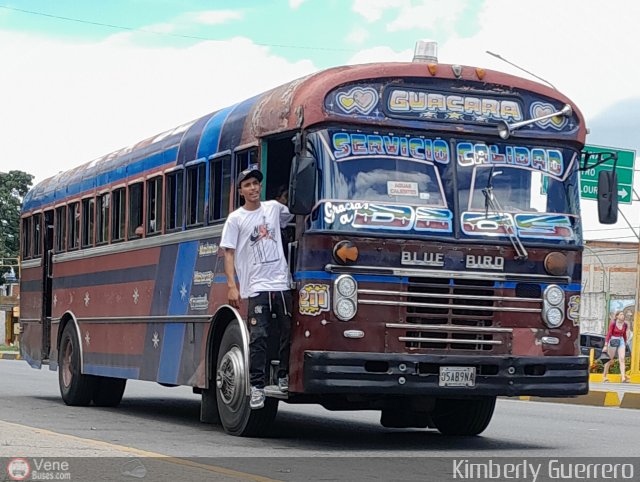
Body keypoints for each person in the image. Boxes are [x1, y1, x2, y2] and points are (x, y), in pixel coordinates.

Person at [220, 168, 293, 409]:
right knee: (259, 337)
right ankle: (257, 387)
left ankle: (283, 375)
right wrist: (233, 286)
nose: (253, 188)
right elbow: (228, 253)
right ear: (240, 191)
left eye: (256, 184)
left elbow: (294, 215)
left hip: (281, 282)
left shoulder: (273, 208)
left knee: (287, 330)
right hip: (256, 286)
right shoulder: (236, 219)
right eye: (248, 185)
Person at [602, 310, 630, 383]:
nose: (622, 316)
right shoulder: (613, 323)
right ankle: (604, 376)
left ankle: (623, 377)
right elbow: (609, 334)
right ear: (617, 316)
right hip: (613, 339)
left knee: (622, 358)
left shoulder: (625, 324)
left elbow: (624, 335)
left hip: (621, 340)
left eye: (623, 314)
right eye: (621, 314)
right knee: (609, 359)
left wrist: (625, 342)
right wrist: (605, 345)